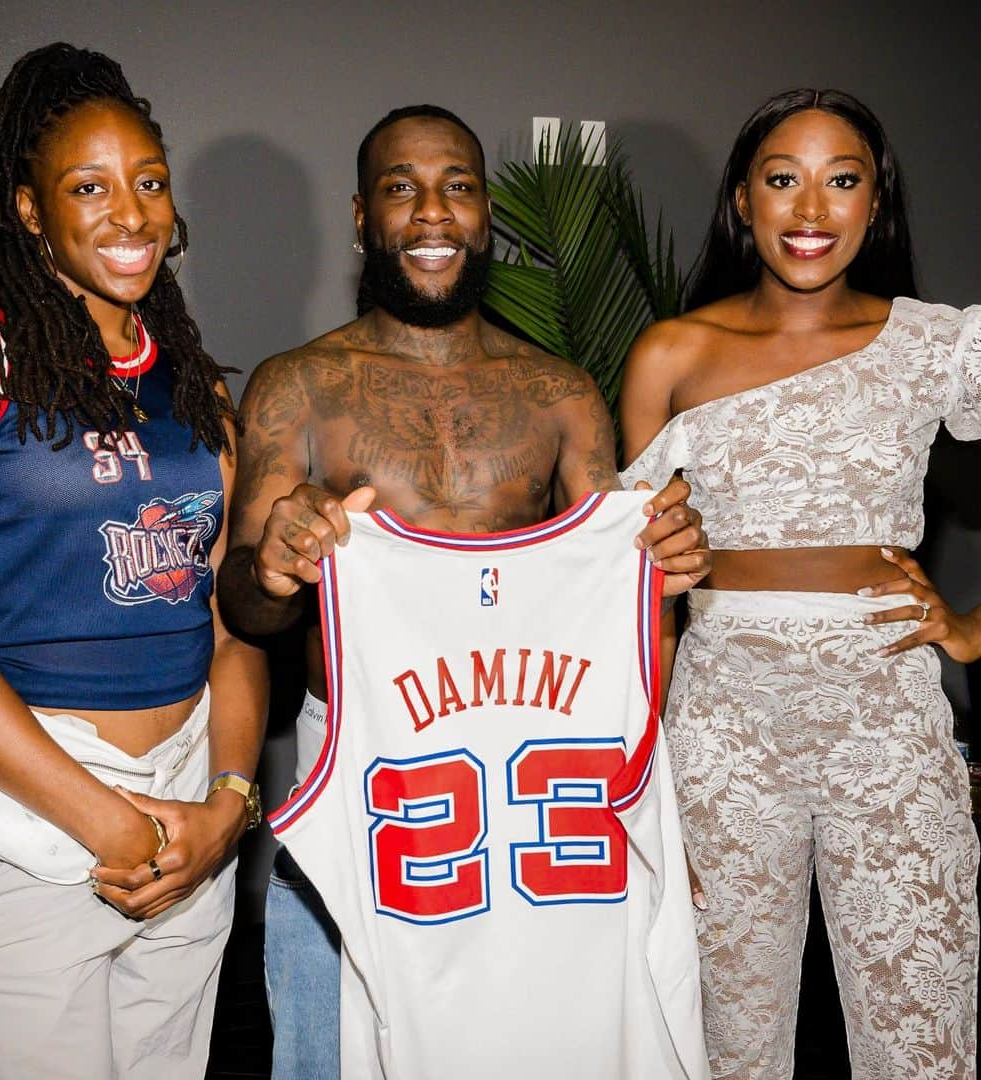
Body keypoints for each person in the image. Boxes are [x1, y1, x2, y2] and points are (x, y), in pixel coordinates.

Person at [217, 104, 711, 1079]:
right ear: (363, 215)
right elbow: (245, 606)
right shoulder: (298, 385)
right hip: (366, 768)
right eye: (402, 188)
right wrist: (277, 564)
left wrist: (667, 559)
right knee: (332, 1051)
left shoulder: (560, 392)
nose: (432, 211)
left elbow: (622, 597)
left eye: (458, 186)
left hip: (532, 779)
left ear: (487, 213)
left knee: (537, 1046)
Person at [0, 43, 267, 1079]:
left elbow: (231, 632)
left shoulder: (200, 394)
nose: (131, 214)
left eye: (148, 183)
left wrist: (226, 812)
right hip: (30, 803)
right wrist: (109, 820)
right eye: (89, 187)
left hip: (189, 807)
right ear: (27, 209)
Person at [619, 88, 979, 1078]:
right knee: (725, 1041)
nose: (810, 209)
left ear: (876, 200)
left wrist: (974, 629)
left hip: (887, 716)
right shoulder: (672, 353)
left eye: (842, 179)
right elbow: (638, 590)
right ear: (744, 200)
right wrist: (639, 772)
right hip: (722, 723)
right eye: (783, 179)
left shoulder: (938, 343)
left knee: (922, 1034)